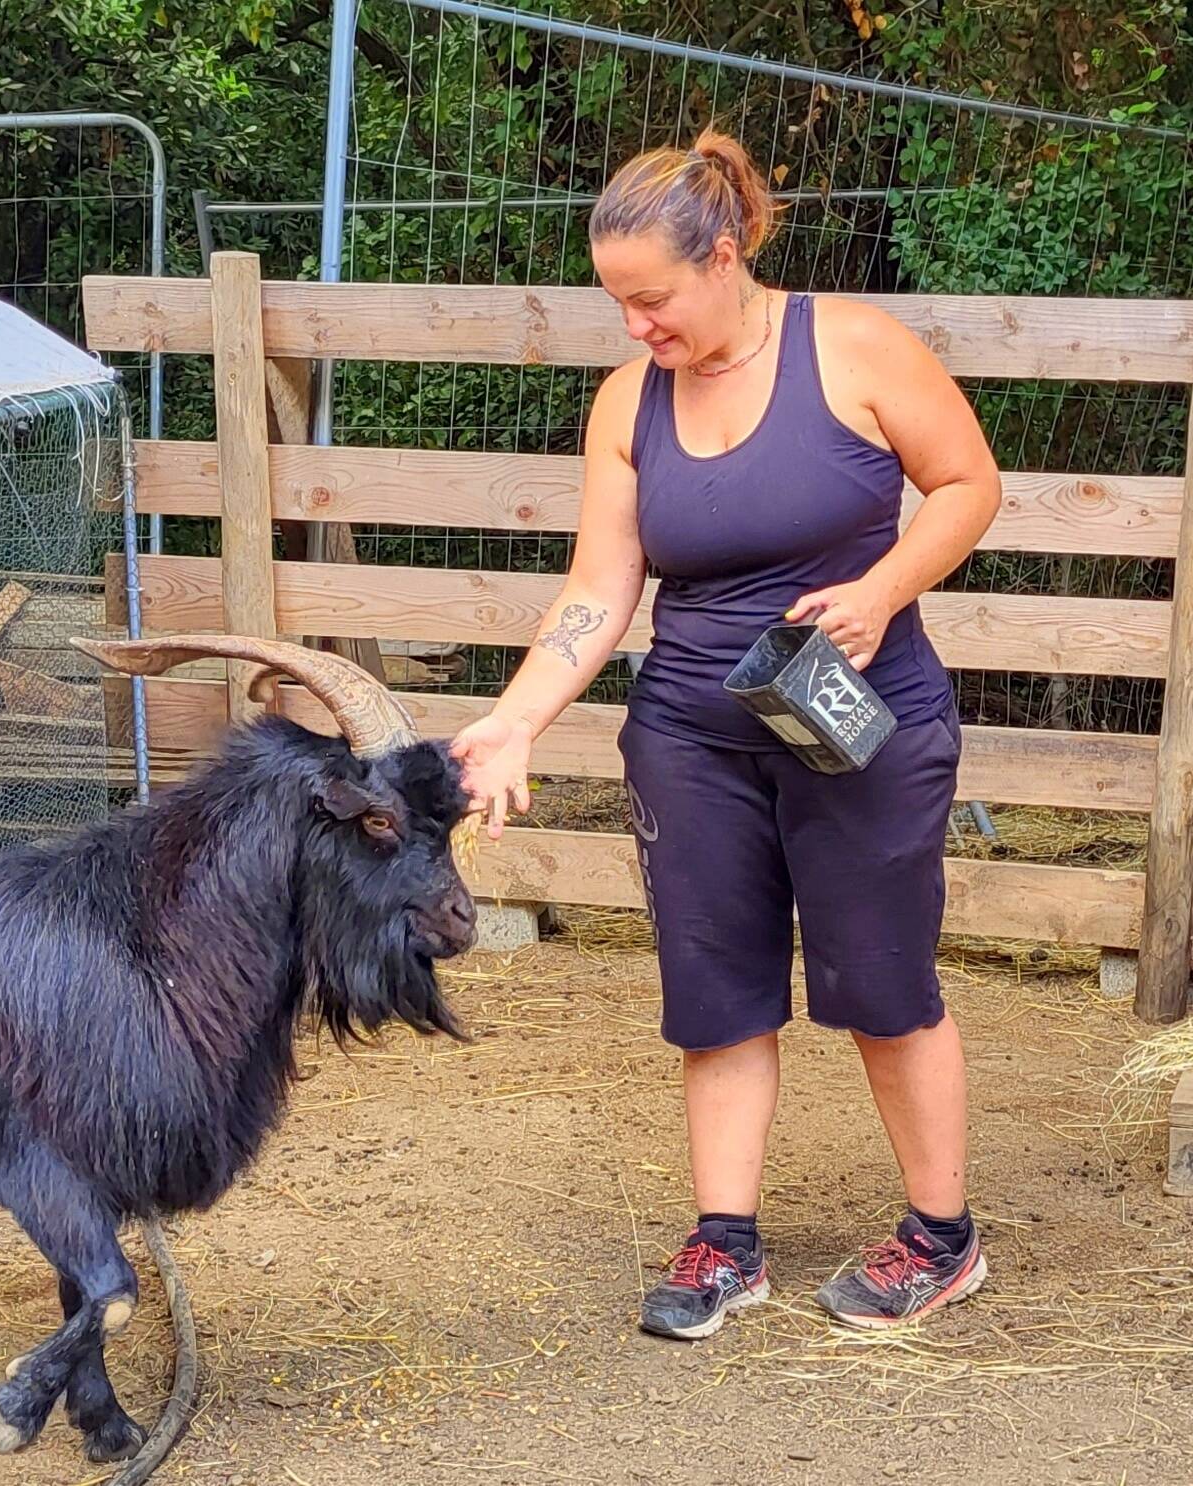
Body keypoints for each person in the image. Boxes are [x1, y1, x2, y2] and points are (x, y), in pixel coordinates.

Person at [450, 128, 1002, 1336]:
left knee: (881, 982)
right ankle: (726, 1241)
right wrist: (516, 717)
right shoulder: (627, 402)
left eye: (653, 300)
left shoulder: (852, 348)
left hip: (857, 718)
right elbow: (602, 584)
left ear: (728, 251)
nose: (638, 328)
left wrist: (884, 589)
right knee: (716, 983)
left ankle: (941, 1238)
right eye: (620, 305)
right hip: (693, 734)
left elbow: (969, 485)